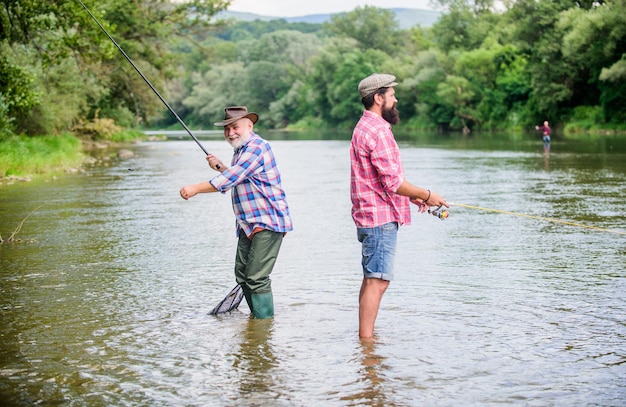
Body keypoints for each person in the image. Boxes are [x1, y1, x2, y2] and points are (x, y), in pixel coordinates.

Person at [350, 73, 449, 339]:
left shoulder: (364, 126)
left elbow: (380, 179)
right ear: (379, 98)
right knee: (378, 281)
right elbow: (393, 181)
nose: (396, 99)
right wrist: (427, 195)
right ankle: (367, 343)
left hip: (369, 215)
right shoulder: (379, 131)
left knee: (372, 278)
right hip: (379, 219)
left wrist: (411, 197)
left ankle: (365, 338)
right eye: (392, 95)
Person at [180, 106, 293, 319]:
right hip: (247, 223)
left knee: (256, 277)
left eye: (235, 127)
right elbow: (238, 176)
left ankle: (263, 325)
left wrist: (195, 188)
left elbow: (230, 180)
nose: (230, 133)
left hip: (267, 221)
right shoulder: (241, 150)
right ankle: (256, 320)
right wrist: (223, 167)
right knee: (242, 275)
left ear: (249, 126)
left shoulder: (257, 147)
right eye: (227, 129)